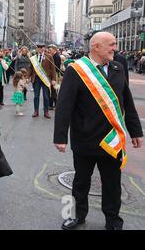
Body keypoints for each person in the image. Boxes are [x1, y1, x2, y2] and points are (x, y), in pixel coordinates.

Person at [54, 32, 143, 231]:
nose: (115, 48)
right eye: (111, 44)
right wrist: (60, 137)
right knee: (80, 182)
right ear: (96, 47)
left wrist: (136, 132)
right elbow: (64, 106)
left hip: (112, 141)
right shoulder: (75, 70)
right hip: (84, 139)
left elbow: (127, 102)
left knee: (112, 184)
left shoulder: (119, 68)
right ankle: (75, 216)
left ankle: (113, 220)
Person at [29, 43, 56, 119]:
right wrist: (27, 77)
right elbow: (31, 68)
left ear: (44, 48)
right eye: (39, 48)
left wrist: (54, 79)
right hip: (36, 79)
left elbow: (53, 69)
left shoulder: (49, 57)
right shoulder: (34, 58)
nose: (40, 49)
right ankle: (36, 111)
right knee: (36, 96)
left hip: (46, 79)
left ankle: (46, 112)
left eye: (42, 48)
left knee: (46, 96)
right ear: (37, 49)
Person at [48, 44, 62, 110]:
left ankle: (55, 105)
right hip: (53, 75)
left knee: (54, 90)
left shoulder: (56, 57)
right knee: (52, 90)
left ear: (54, 49)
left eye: (50, 50)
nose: (49, 51)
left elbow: (55, 68)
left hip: (55, 75)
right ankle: (51, 104)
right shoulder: (53, 56)